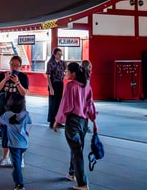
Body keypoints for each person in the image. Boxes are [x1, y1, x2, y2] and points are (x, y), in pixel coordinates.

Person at [54, 61, 98, 190]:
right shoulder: (87, 86)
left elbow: (65, 105)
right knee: (77, 149)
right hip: (84, 122)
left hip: (72, 121)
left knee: (76, 151)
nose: (65, 73)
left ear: (73, 74)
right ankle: (71, 173)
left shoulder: (70, 86)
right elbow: (91, 105)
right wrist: (94, 122)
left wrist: (58, 120)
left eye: (67, 71)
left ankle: (82, 183)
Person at [0, 55, 29, 167]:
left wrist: (17, 83)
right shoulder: (2, 75)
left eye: (17, 65)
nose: (14, 67)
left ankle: (20, 159)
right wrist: (5, 79)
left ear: (20, 66)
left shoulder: (23, 77)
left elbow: (24, 93)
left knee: (20, 135)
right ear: (9, 64)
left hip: (19, 109)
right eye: (13, 65)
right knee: (4, 134)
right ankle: (5, 157)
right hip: (5, 110)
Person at [0, 95, 32, 190]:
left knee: (16, 165)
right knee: (19, 160)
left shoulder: (7, 115)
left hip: (14, 145)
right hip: (24, 143)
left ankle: (19, 184)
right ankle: (19, 169)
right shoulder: (26, 114)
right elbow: (29, 124)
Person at [46, 47, 65, 128]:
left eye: (61, 54)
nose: (60, 56)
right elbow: (48, 76)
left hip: (60, 83)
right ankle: (52, 121)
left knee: (59, 103)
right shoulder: (50, 63)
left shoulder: (62, 63)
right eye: (58, 54)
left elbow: (65, 71)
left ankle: (58, 121)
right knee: (52, 104)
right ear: (54, 54)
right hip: (53, 84)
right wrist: (51, 88)